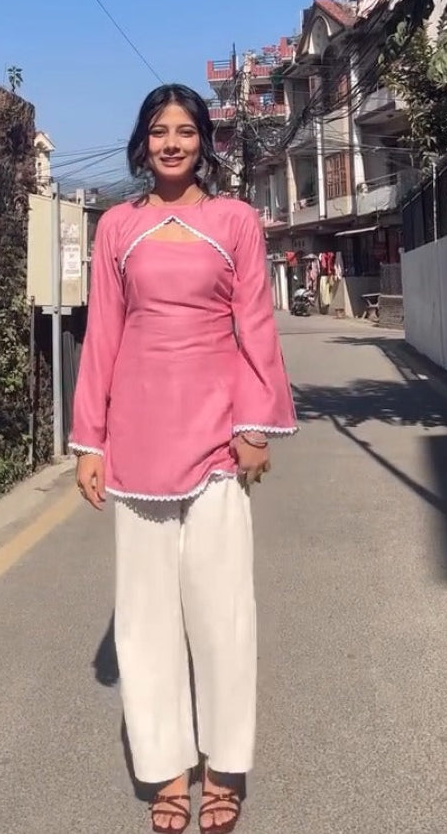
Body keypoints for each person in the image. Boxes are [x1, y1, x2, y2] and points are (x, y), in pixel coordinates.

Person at [69, 84, 297, 834]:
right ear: (144, 140)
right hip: (135, 440)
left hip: (216, 439)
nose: (172, 143)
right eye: (159, 131)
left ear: (205, 141)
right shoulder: (117, 228)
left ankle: (223, 766)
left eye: (186, 131)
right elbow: (103, 333)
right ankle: (167, 769)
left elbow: (255, 323)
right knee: (143, 620)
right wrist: (91, 443)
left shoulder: (235, 221)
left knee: (223, 611)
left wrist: (255, 422)